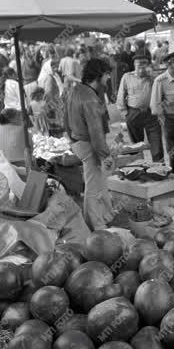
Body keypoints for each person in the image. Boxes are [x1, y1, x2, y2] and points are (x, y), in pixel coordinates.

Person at [64, 58, 115, 231]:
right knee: (93, 188)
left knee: (98, 183)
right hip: (88, 145)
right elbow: (96, 133)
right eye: (107, 75)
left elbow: (65, 120)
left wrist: (71, 140)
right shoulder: (90, 99)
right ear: (99, 75)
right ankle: (95, 225)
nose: (108, 79)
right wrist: (105, 155)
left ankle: (104, 216)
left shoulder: (75, 90)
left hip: (77, 142)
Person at [117, 54, 164, 162]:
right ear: (134, 65)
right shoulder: (127, 77)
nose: (142, 68)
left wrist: (152, 76)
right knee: (136, 147)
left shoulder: (154, 78)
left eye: (145, 64)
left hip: (151, 114)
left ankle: (159, 170)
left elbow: (161, 92)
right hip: (133, 114)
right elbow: (120, 95)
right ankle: (138, 168)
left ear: (148, 65)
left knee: (156, 145)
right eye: (139, 65)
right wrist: (125, 113)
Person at [150, 50, 174, 175]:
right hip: (170, 121)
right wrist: (163, 120)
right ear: (168, 64)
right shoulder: (160, 81)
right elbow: (155, 105)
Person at [39, 57, 64, 136]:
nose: (56, 69)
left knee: (54, 130)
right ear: (49, 67)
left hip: (53, 105)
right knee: (55, 131)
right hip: (52, 107)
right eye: (54, 67)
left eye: (57, 66)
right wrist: (54, 106)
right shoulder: (49, 78)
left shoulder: (52, 76)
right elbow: (48, 93)